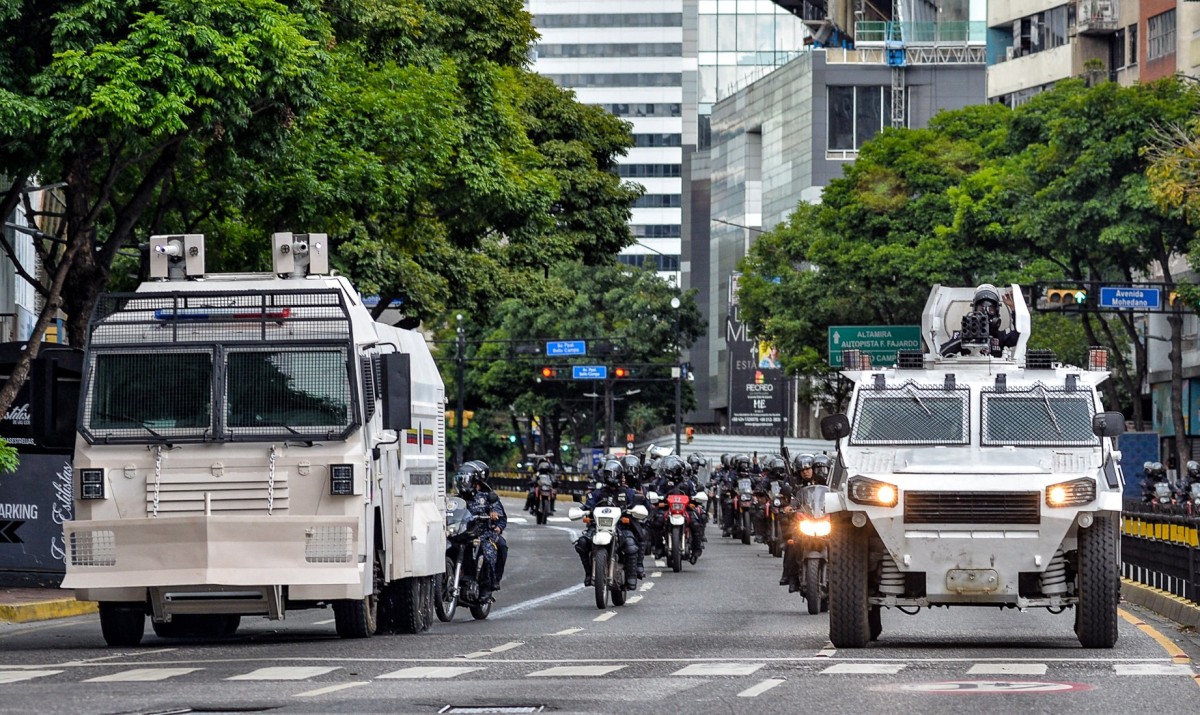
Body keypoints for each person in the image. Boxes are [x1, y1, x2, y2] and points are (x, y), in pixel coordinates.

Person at [575, 460, 643, 590]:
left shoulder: (627, 492)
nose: (610, 476)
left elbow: (637, 504)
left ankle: (631, 576)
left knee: (631, 546)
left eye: (612, 473)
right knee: (582, 543)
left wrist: (634, 509)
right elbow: (588, 504)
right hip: (598, 527)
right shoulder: (598, 492)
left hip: (621, 527)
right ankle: (589, 573)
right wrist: (584, 509)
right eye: (607, 473)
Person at [453, 460, 507, 602]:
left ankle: (487, 587)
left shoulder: (488, 497)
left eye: (466, 480)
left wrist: (496, 520)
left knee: (490, 552)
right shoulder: (456, 499)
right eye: (461, 480)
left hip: (483, 534)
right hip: (461, 533)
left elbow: (500, 516)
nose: (463, 484)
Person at [939, 283, 1020, 358]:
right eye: (981, 309)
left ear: (997, 311)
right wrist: (963, 339)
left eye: (990, 309)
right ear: (974, 310)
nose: (985, 313)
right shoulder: (961, 335)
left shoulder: (1000, 337)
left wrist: (1013, 309)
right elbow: (941, 353)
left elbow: (1019, 336)